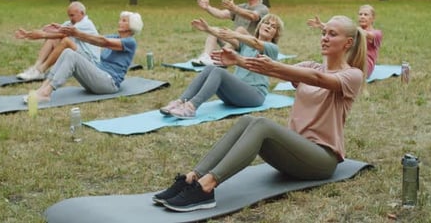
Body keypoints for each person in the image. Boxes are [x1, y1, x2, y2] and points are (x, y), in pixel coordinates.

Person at [152, 15, 367, 212]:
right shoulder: (312, 66)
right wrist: (239, 61)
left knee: (262, 124)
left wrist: (274, 64)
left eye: (332, 34)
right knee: (248, 120)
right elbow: (273, 69)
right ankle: (192, 178)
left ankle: (206, 188)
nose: (325, 38)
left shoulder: (352, 75)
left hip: (321, 159)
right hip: (293, 152)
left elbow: (316, 79)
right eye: (323, 33)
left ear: (348, 43)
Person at [160, 14, 284, 119]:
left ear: (275, 34)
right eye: (266, 23)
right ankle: (180, 102)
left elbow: (255, 42)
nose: (268, 26)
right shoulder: (246, 44)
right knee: (210, 68)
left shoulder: (272, 49)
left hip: (254, 96)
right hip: (235, 95)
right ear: (260, 26)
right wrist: (208, 29)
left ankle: (191, 107)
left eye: (273, 27)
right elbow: (227, 36)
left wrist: (236, 34)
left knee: (219, 72)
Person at [20, 11, 143, 103]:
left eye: (124, 21)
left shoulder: (130, 42)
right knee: (68, 52)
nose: (119, 22)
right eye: (120, 19)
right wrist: (66, 30)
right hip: (98, 77)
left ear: (132, 26)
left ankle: (47, 92)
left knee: (73, 56)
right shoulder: (116, 37)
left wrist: (77, 33)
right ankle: (43, 89)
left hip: (109, 83)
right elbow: (93, 38)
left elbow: (103, 42)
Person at [191, 0, 269, 66]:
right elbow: (221, 14)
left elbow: (253, 16)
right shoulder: (242, 6)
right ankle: (206, 56)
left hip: (249, 46)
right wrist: (207, 7)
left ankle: (219, 58)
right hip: (234, 43)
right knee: (213, 30)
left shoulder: (263, 8)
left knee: (240, 30)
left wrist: (235, 9)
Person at [15, 1, 101, 81]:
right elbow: (54, 32)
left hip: (91, 63)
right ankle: (36, 67)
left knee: (66, 41)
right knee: (52, 39)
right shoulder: (71, 23)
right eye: (69, 16)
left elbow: (63, 34)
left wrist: (42, 35)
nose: (70, 18)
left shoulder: (85, 23)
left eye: (72, 15)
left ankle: (40, 70)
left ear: (82, 13)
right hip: (81, 56)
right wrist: (27, 34)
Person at [307, 4, 382, 77]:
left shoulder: (377, 33)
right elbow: (341, 32)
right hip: (350, 63)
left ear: (373, 18)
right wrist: (322, 25)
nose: (362, 16)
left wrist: (328, 26)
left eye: (366, 15)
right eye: (360, 14)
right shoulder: (353, 31)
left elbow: (364, 34)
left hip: (364, 67)